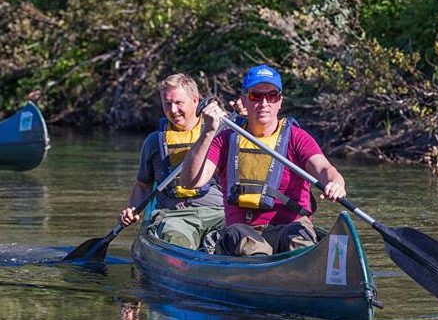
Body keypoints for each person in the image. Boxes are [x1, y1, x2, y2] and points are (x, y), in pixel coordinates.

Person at [180, 64, 346, 256]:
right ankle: (260, 270)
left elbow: (324, 168)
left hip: (289, 227)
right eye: (256, 96)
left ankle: (303, 268)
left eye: (272, 95)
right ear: (244, 99)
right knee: (252, 246)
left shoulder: (296, 137)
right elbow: (190, 182)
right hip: (244, 231)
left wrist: (336, 183)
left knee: (299, 242)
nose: (264, 103)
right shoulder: (225, 139)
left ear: (280, 101)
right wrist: (208, 131)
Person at [119, 73, 224, 250]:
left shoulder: (222, 134)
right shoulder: (154, 142)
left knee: (234, 237)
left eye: (178, 103)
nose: (173, 110)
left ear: (195, 100)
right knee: (175, 239)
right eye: (167, 104)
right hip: (174, 216)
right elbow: (143, 185)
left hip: (219, 214)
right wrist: (132, 210)